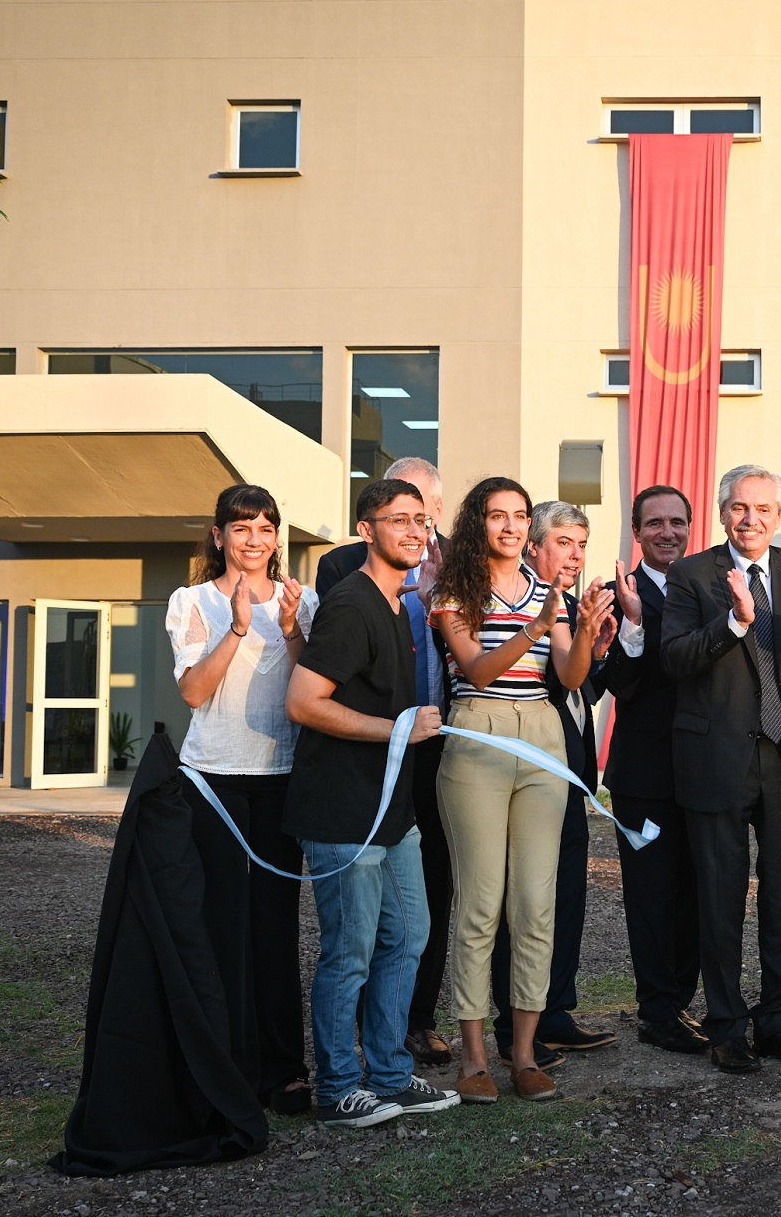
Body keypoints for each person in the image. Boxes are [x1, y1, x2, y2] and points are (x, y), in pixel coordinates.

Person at [660, 464, 781, 1073]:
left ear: (780, 517)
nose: (751, 519)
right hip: (717, 758)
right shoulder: (690, 575)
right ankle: (727, 1026)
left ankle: (780, 1019)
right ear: (722, 513)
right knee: (719, 898)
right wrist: (735, 621)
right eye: (740, 508)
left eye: (764, 510)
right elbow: (675, 660)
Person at [283, 478, 458, 1128]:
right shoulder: (353, 602)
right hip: (342, 810)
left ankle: (387, 1072)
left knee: (408, 935)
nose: (414, 530)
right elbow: (303, 702)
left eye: (422, 520)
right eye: (398, 519)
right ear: (365, 529)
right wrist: (397, 730)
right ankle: (337, 1087)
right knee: (350, 949)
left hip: (393, 812)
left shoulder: (399, 600)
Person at [431, 477, 610, 1104]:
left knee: (536, 904)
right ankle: (474, 1056)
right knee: (481, 906)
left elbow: (569, 676)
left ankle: (526, 1055)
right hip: (477, 731)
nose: (510, 526)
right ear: (476, 522)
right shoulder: (454, 590)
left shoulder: (548, 591)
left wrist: (584, 631)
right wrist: (539, 625)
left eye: (519, 516)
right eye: (497, 515)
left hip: (542, 732)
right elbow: (477, 669)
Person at [166, 483, 316, 1115]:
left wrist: (287, 630)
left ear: (276, 536)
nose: (255, 539)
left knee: (276, 928)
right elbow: (194, 693)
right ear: (220, 536)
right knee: (224, 926)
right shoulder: (191, 600)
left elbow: (312, 685)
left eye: (266, 527)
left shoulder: (302, 599)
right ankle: (229, 1068)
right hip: (213, 779)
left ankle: (283, 1069)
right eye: (242, 528)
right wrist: (236, 628)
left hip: (281, 775)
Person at [491, 502, 621, 1065]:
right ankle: (510, 1023)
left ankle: (556, 1010)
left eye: (581, 543)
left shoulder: (576, 608)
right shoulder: (511, 604)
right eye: (564, 542)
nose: (575, 554)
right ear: (534, 546)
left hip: (572, 773)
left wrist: (602, 644)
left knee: (568, 892)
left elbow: (583, 690)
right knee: (518, 900)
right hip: (522, 768)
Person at [601, 485, 709, 1055]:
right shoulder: (616, 595)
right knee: (651, 894)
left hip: (701, 768)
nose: (667, 531)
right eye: (655, 523)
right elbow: (615, 683)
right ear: (637, 532)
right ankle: (657, 1009)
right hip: (644, 774)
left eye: (677, 521)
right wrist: (636, 625)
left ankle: (684, 1001)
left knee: (696, 890)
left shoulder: (707, 588)